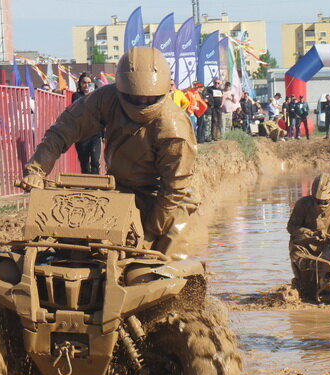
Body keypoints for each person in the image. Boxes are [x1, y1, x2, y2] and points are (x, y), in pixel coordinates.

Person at [17, 46, 197, 255]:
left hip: (164, 196)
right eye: (134, 97)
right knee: (87, 244)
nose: (142, 102)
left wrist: (149, 234)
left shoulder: (174, 128)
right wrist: (36, 171)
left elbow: (174, 189)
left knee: (167, 259)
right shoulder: (106, 98)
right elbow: (64, 130)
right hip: (118, 188)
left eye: (149, 98)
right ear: (121, 89)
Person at [71, 73, 102, 174]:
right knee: (84, 163)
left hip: (95, 134)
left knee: (95, 161)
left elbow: (102, 114)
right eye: (84, 83)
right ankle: (87, 185)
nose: (86, 85)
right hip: (82, 135)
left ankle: (97, 184)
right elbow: (80, 109)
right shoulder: (76, 96)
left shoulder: (98, 97)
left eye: (89, 83)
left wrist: (104, 134)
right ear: (80, 84)